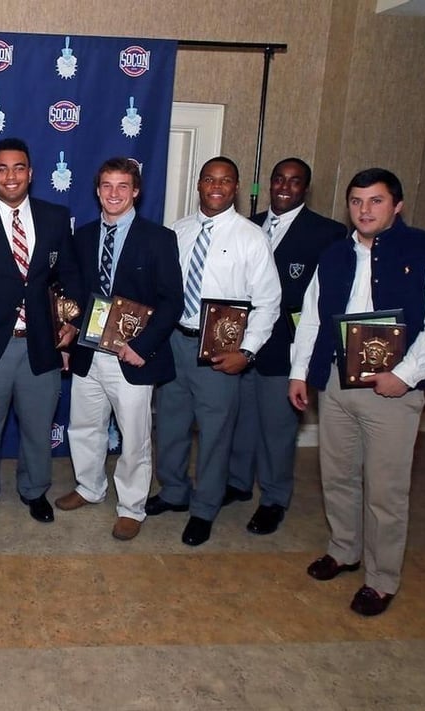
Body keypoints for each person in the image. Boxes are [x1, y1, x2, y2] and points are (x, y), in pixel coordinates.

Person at [289, 167, 425, 616]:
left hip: (392, 391)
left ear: (397, 205)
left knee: (386, 490)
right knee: (338, 476)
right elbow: (312, 317)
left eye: (375, 201)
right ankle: (344, 550)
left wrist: (404, 375)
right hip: (336, 381)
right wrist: (299, 373)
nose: (364, 210)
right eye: (356, 201)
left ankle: (382, 578)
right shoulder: (333, 256)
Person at [148, 156, 280, 546]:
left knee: (215, 432)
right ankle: (173, 492)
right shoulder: (178, 230)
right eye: (209, 179)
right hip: (174, 342)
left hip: (221, 352)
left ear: (235, 187)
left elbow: (269, 302)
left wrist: (249, 351)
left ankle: (204, 508)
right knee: (169, 425)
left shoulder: (251, 237)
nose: (216, 186)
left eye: (225, 180)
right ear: (199, 184)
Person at [0, 137, 77, 529]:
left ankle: (34, 490)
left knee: (38, 427)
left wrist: (70, 325)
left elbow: (68, 279)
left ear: (31, 173)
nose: (10, 176)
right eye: (1, 168)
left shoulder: (55, 218)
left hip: (41, 346)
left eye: (18, 167)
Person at [54, 157, 183, 541]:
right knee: (85, 426)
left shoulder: (159, 238)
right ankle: (90, 487)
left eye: (122, 186)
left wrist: (141, 347)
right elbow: (76, 295)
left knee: (134, 436)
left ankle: (131, 507)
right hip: (88, 352)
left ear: (136, 192)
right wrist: (68, 337)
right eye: (107, 186)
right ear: (97, 191)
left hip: (131, 358)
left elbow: (171, 301)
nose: (114, 193)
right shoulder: (83, 236)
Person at [226, 158, 346, 536]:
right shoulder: (248, 225)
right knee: (240, 422)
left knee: (277, 429)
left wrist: (309, 358)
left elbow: (325, 300)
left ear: (305, 189)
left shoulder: (328, 233)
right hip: (241, 344)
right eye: (279, 179)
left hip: (286, 348)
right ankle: (238, 484)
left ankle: (274, 498)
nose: (284, 187)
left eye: (294, 182)